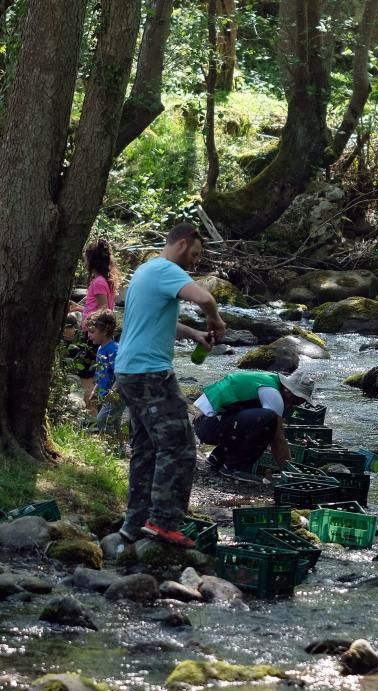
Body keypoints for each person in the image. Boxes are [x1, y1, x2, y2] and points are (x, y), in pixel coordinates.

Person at [115, 222, 225, 548]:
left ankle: (133, 524)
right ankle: (162, 522)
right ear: (182, 242)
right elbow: (204, 297)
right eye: (196, 252)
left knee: (146, 450)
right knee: (179, 447)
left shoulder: (146, 271)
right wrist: (215, 320)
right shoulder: (166, 269)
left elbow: (158, 320)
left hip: (128, 372)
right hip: (150, 374)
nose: (196, 260)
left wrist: (194, 334)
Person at [193, 369, 314, 484]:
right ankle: (235, 468)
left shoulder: (269, 380)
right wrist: (288, 471)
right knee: (267, 420)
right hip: (207, 424)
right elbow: (277, 440)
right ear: (289, 392)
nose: (298, 405)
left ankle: (217, 458)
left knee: (255, 422)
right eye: (298, 401)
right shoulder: (273, 394)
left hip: (209, 422)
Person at [69, 239, 121, 413]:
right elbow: (96, 307)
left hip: (92, 333)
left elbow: (103, 309)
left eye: (85, 257)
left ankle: (93, 412)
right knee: (93, 372)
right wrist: (80, 308)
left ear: (92, 259)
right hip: (95, 331)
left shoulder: (98, 281)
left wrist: (89, 322)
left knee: (86, 373)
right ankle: (94, 411)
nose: (84, 261)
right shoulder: (103, 280)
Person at [86, 309, 125, 435]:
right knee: (112, 422)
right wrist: (95, 390)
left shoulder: (114, 349)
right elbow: (101, 372)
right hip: (104, 393)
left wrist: (113, 392)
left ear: (105, 331)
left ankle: (112, 448)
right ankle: (116, 448)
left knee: (103, 420)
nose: (89, 335)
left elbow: (120, 373)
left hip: (116, 394)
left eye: (92, 332)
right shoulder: (101, 348)